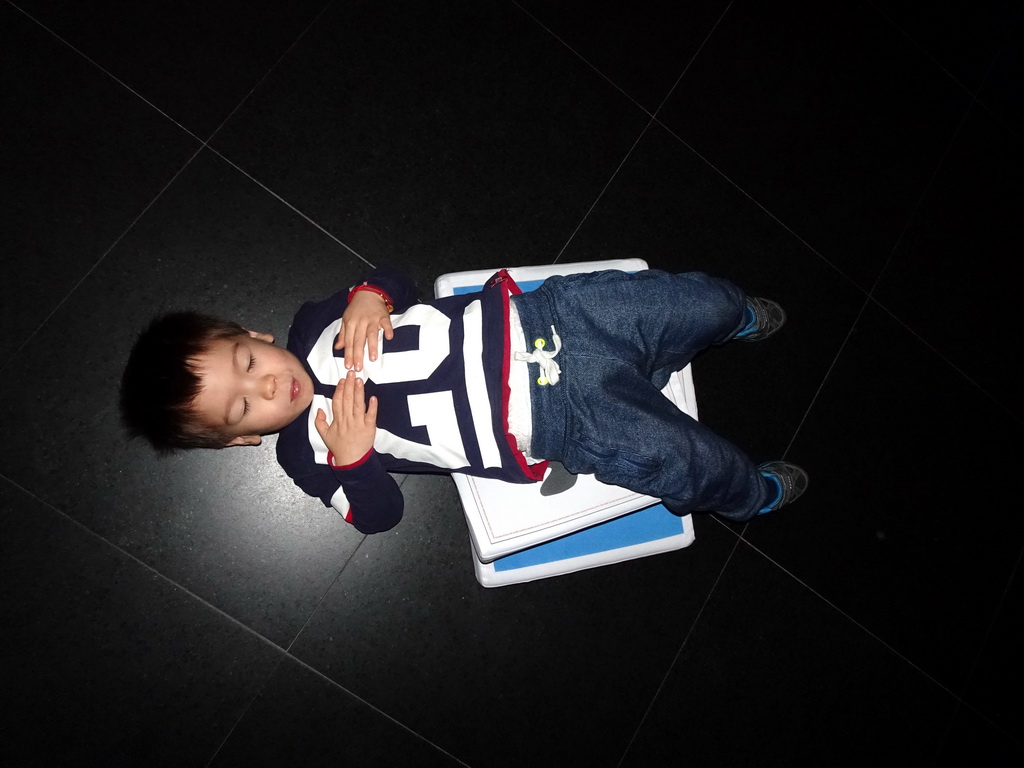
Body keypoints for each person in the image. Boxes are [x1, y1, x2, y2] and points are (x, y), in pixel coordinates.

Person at [120, 266, 808, 534]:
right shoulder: (306, 456)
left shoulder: (310, 319)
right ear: (243, 440)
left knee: (696, 299)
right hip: (557, 421)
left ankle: (731, 315)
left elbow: (399, 281)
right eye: (243, 409)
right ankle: (747, 492)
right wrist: (356, 462)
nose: (267, 384)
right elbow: (377, 517)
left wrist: (369, 294)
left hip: (552, 321)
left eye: (246, 361)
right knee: (681, 460)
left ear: (255, 334)